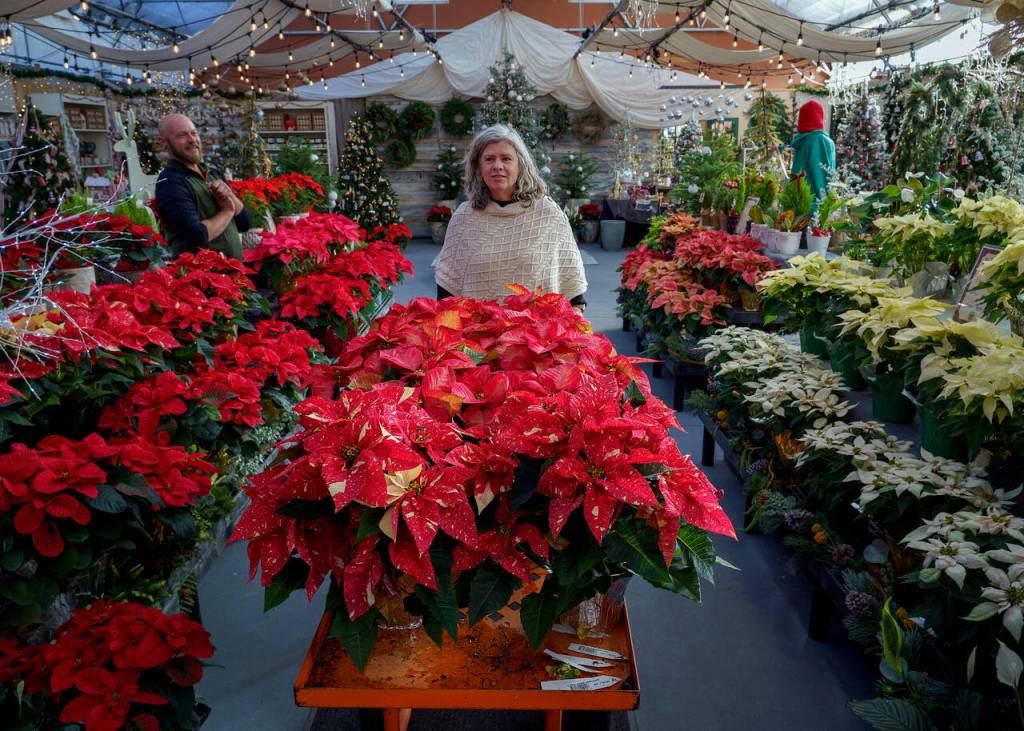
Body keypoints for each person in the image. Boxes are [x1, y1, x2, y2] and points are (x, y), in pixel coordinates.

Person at [435, 124, 587, 314]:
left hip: (538, 337)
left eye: (506, 158)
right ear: (478, 166)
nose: (497, 166)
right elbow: (447, 290)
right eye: (489, 159)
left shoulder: (549, 214)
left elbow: (572, 287)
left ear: (520, 165)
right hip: (477, 334)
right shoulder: (464, 218)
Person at [154, 113, 251, 260]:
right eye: (182, 135)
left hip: (234, 277)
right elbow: (198, 236)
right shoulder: (170, 182)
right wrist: (227, 210)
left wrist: (229, 196)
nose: (192, 139)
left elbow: (244, 223)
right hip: (201, 279)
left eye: (194, 133)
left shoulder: (213, 173)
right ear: (163, 142)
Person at [789, 99, 836, 206]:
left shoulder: (802, 140)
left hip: (799, 203)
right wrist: (826, 206)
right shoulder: (820, 140)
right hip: (815, 208)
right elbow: (822, 177)